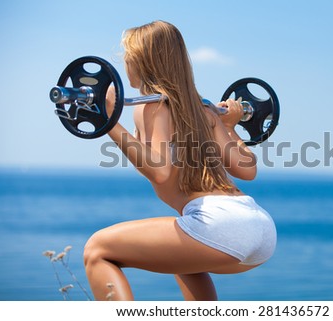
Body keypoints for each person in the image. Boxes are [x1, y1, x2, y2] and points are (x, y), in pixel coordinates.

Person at [83, 20, 276, 301]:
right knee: (180, 260)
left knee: (97, 250)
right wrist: (232, 126)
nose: (124, 62)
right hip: (259, 228)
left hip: (220, 226)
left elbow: (160, 172)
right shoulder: (206, 111)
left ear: (141, 60)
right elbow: (247, 170)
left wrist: (108, 122)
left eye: (127, 55)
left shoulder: (152, 106)